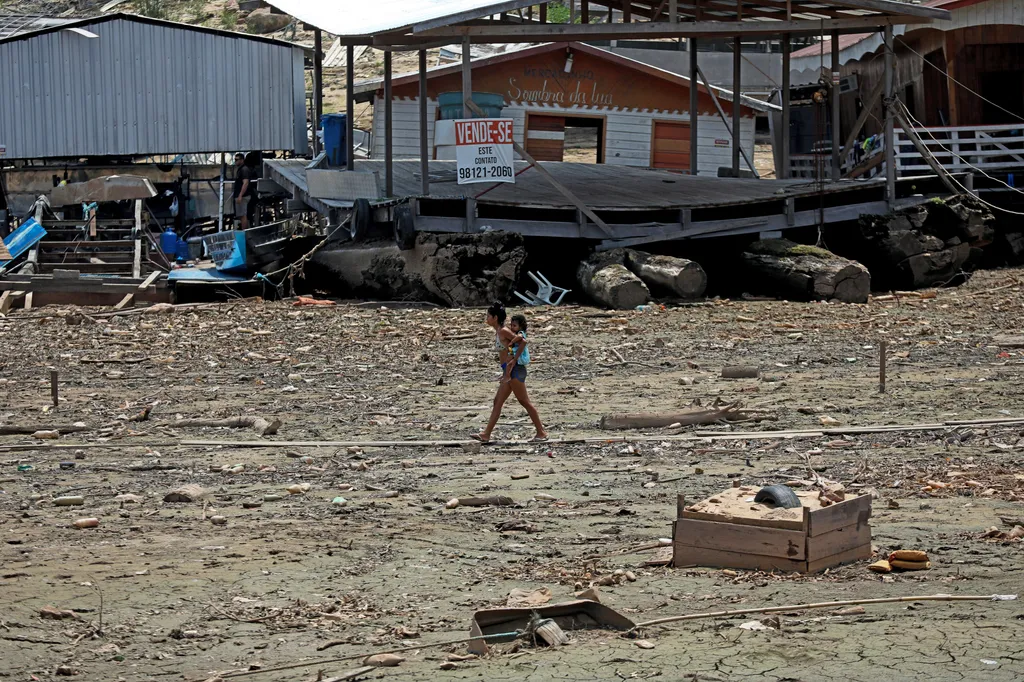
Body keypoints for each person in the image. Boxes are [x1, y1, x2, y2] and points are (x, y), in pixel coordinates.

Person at [473, 302, 547, 443]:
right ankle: (486, 434)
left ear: (495, 318)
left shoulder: (504, 331)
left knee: (524, 401)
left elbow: (522, 341)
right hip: (508, 371)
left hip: (515, 371)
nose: (486, 319)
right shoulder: (499, 331)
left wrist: (513, 360)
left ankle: (541, 432)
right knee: (498, 401)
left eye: (488, 316)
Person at [232, 152, 252, 229]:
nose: (235, 161)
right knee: (241, 215)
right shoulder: (240, 170)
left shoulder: (244, 169)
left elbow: (245, 183)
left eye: (237, 159)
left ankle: (244, 233)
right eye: (235, 159)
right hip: (240, 195)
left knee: (243, 215)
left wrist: (240, 195)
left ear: (242, 160)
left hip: (243, 196)